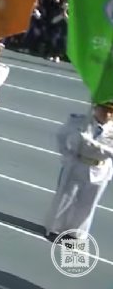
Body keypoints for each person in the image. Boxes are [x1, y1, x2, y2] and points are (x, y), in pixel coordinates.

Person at [44, 101, 113, 241]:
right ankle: (54, 228)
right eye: (104, 109)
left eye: (111, 111)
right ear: (96, 108)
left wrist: (94, 145)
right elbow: (61, 136)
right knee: (66, 197)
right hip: (78, 164)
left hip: (101, 169)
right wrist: (67, 155)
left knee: (88, 204)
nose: (107, 114)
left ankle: (76, 233)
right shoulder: (80, 122)